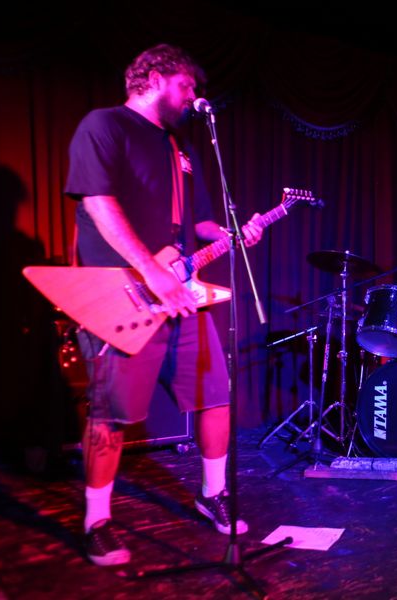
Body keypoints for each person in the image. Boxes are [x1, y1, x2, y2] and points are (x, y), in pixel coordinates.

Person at [64, 44, 264, 566]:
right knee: (110, 413)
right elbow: (97, 203)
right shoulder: (104, 125)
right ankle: (97, 521)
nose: (194, 94)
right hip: (123, 294)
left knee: (215, 394)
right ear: (153, 77)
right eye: (186, 84)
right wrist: (151, 269)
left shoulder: (180, 147)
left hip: (181, 295)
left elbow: (195, 222)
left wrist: (228, 233)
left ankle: (212, 493)